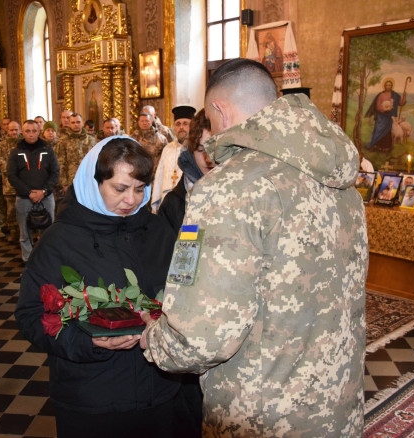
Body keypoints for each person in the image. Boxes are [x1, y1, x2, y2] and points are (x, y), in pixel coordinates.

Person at [140, 59, 368, 436]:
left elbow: (201, 335)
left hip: (263, 416)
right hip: (337, 404)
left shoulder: (229, 188)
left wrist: (155, 339)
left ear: (219, 110)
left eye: (210, 123)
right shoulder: (338, 179)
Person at [15, 136, 190, 438]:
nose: (131, 200)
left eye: (140, 189)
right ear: (93, 183)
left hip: (159, 392)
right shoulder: (60, 241)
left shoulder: (158, 230)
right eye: (119, 189)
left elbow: (183, 293)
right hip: (91, 397)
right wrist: (88, 342)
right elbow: (31, 316)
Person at [7, 120, 59, 262]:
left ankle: (46, 259)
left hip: (46, 197)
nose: (31, 134)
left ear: (39, 132)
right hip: (24, 198)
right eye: (27, 131)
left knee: (47, 231)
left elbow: (55, 173)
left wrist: (44, 191)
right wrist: (28, 192)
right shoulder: (15, 152)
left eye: (34, 131)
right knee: (25, 232)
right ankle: (28, 260)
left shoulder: (48, 150)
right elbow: (12, 175)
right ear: (22, 132)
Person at [157, 109, 212, 234]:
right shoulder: (173, 204)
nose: (208, 159)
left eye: (215, 149)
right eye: (200, 150)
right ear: (191, 151)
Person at [151, 105, 196, 213]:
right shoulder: (167, 148)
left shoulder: (196, 148)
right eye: (178, 124)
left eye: (185, 123)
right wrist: (156, 202)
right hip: (167, 202)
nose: (181, 127)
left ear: (193, 126)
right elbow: (159, 176)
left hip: (188, 203)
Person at [365, 78, 406, 152]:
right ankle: (376, 146)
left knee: (388, 133)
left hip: (390, 118)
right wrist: (385, 109)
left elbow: (401, 103)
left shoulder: (395, 95)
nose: (388, 86)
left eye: (390, 85)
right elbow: (378, 106)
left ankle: (386, 148)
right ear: (384, 86)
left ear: (392, 86)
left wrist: (404, 96)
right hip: (382, 117)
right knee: (378, 131)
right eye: (387, 85)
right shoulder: (381, 95)